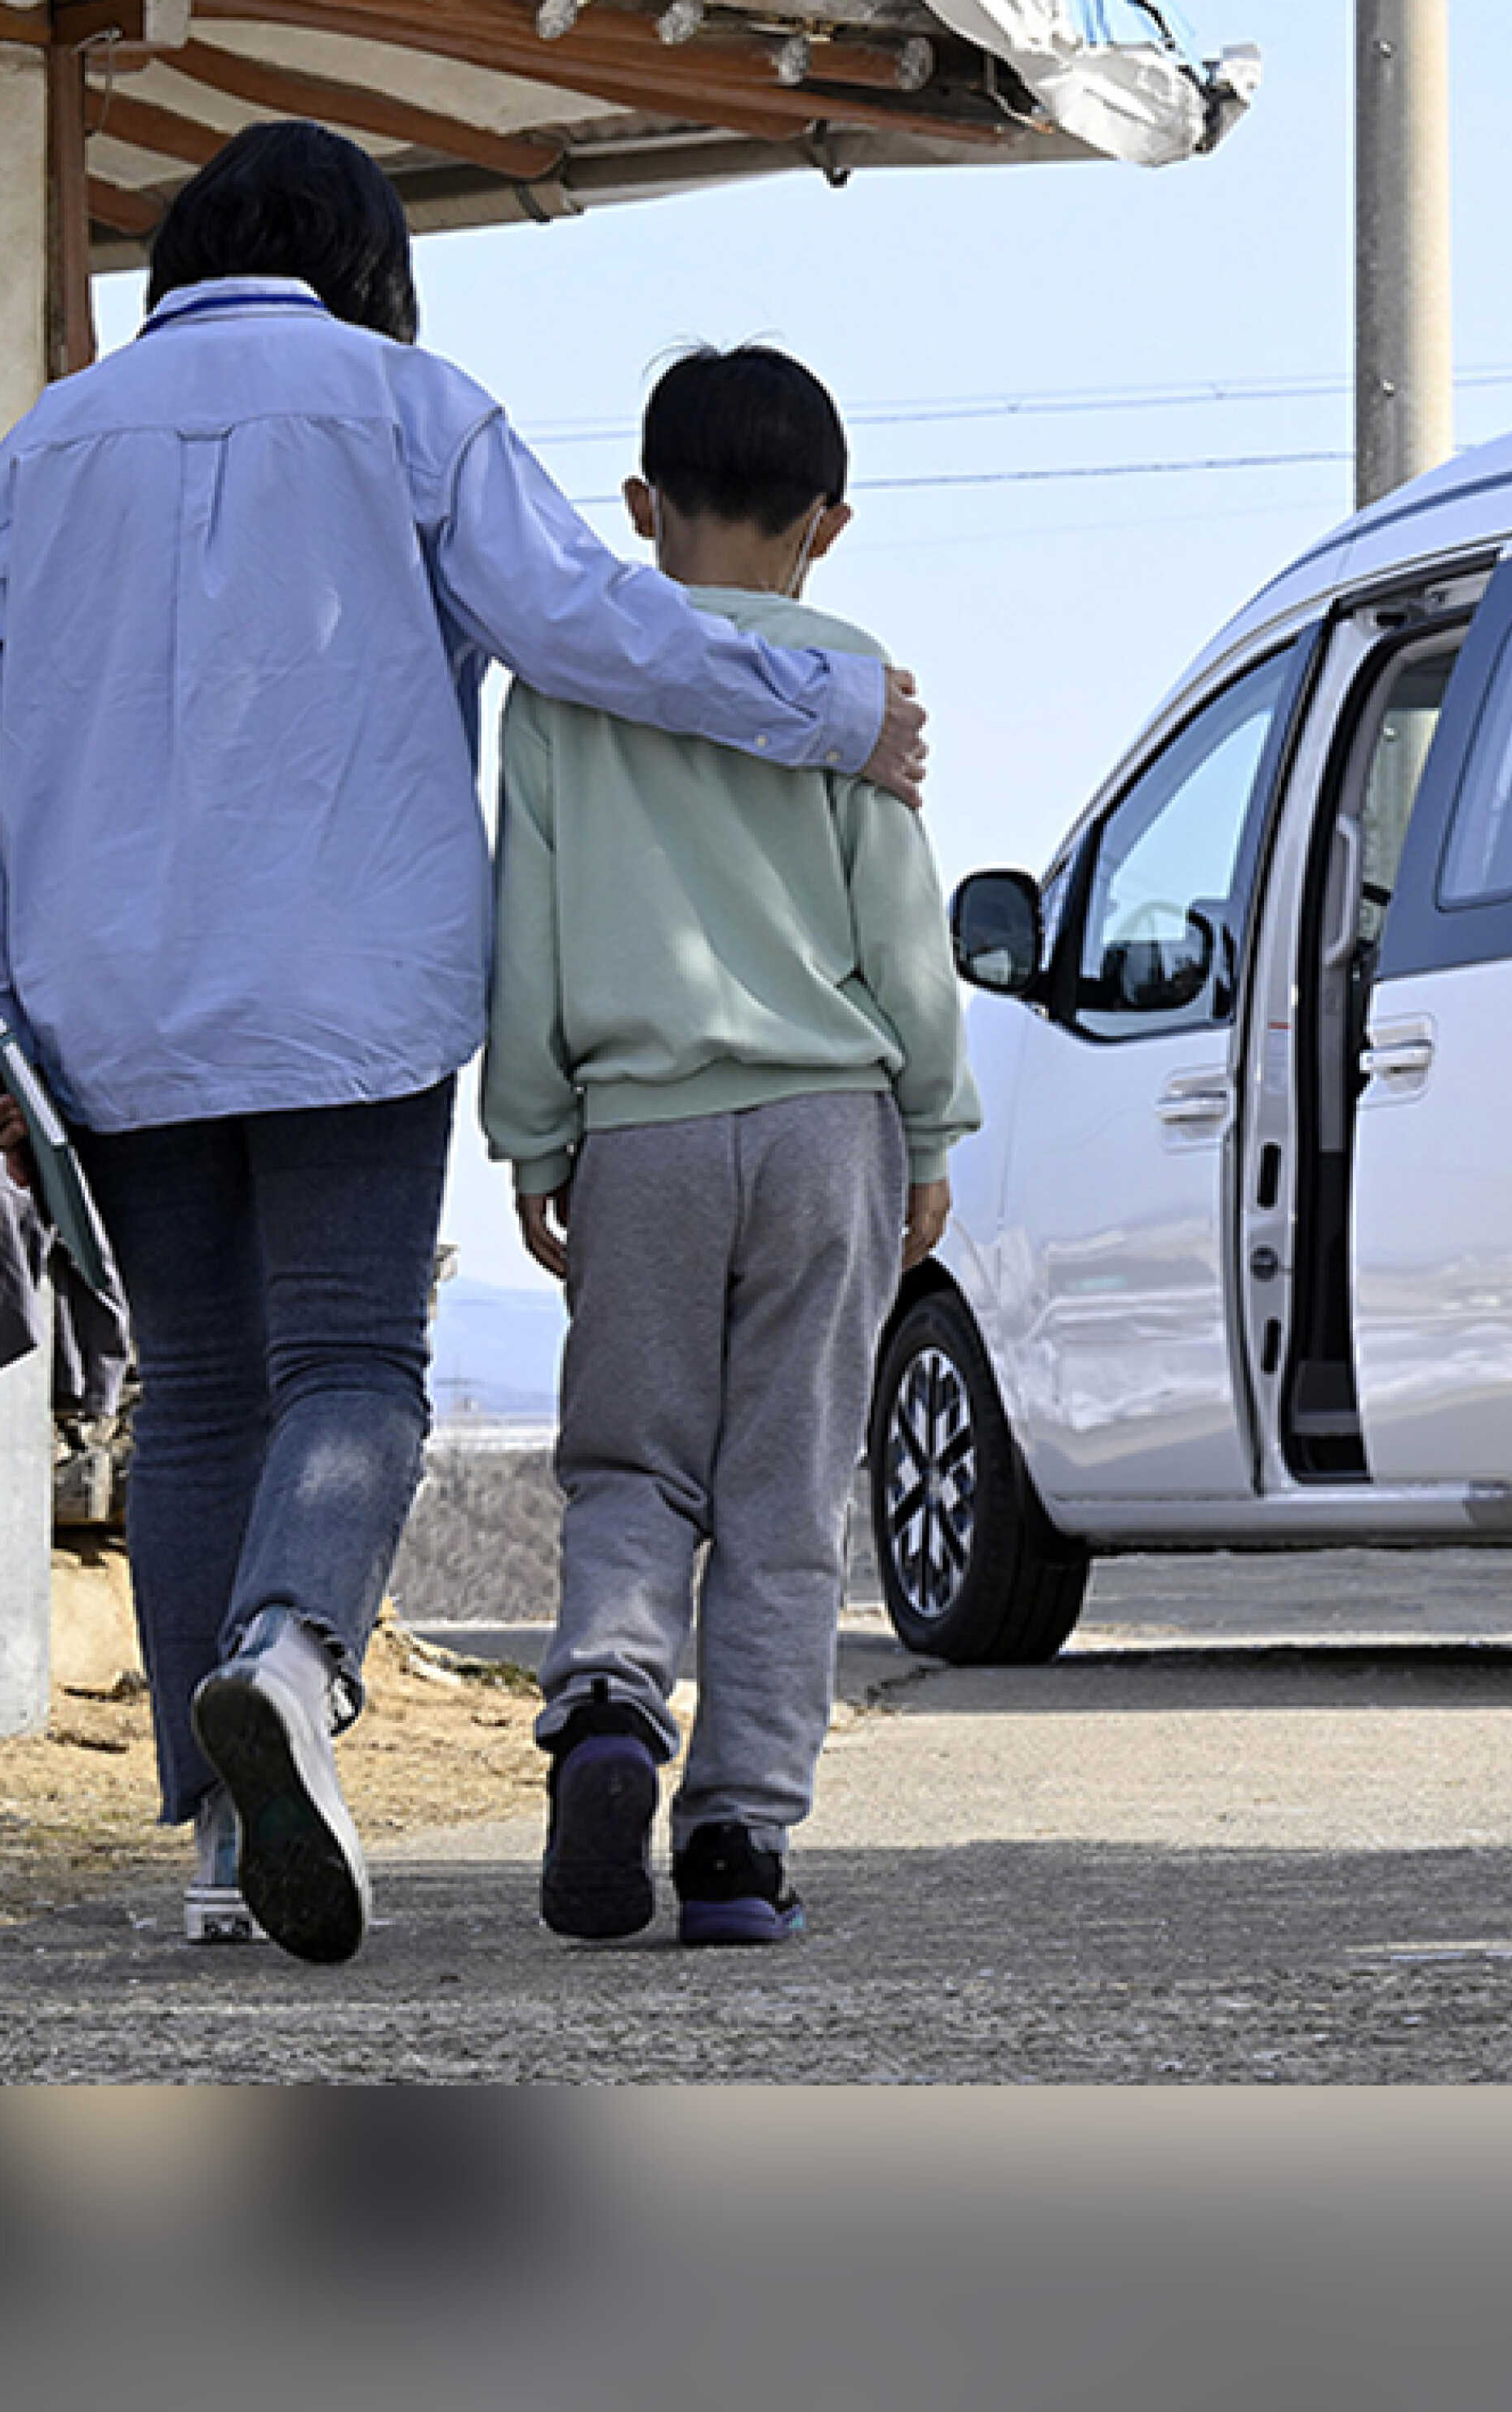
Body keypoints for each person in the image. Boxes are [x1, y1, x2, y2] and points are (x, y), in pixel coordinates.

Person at [0, 122, 929, 1966]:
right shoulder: (409, 410)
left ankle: (225, 1848)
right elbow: (592, 631)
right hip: (351, 990)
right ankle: (292, 1658)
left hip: (108, 998)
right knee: (354, 1362)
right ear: (372, 270)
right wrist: (829, 705)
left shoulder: (40, 447)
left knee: (195, 1389)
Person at [480, 343, 969, 1948]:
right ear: (828, 523)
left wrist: (533, 1133)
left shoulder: (565, 689)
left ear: (640, 506)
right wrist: (929, 1128)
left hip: (641, 1134)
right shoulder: (854, 681)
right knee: (786, 1487)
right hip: (829, 1128)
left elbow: (529, 927)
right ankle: (738, 1843)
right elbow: (902, 941)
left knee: (633, 1461)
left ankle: (610, 1704)